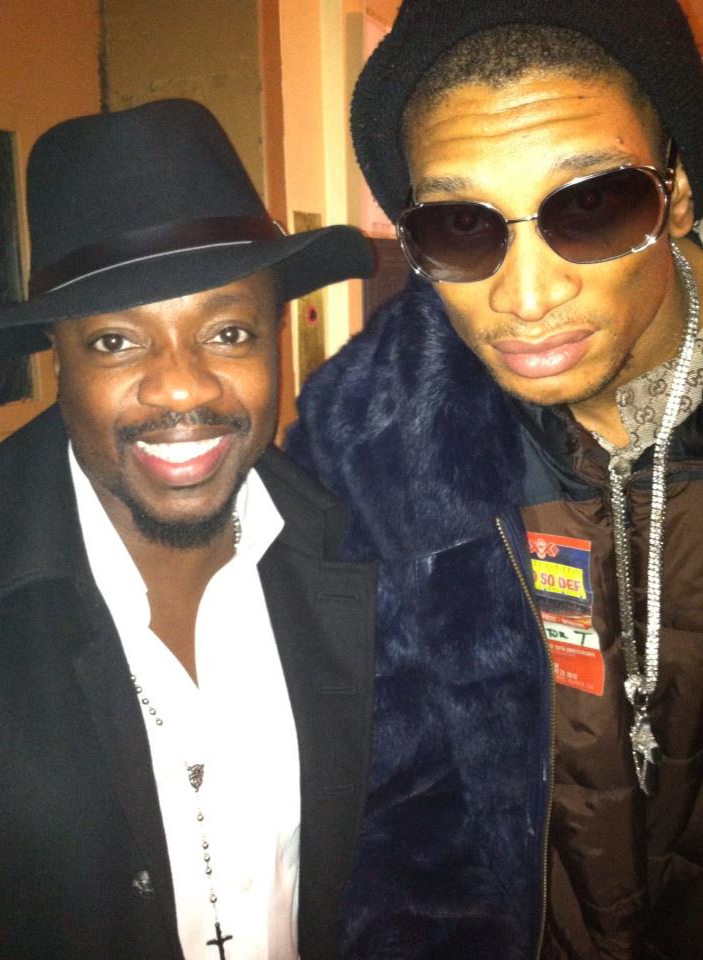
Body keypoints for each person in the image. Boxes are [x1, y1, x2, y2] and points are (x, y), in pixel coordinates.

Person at [288, 1, 703, 957]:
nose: (526, 295)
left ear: (677, 194)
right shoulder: (369, 449)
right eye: (463, 225)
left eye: (593, 205)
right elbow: (384, 814)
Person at [0, 98, 376, 960]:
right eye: (117, 343)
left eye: (227, 332)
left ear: (277, 338)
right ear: (58, 355)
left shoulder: (358, 551)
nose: (181, 387)